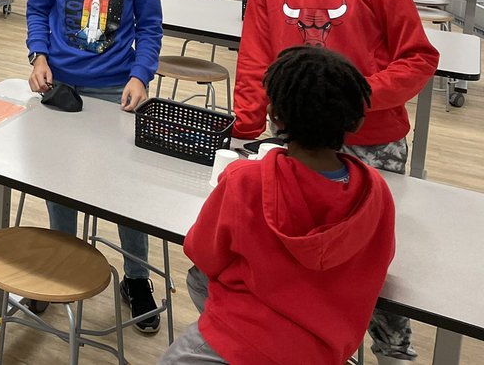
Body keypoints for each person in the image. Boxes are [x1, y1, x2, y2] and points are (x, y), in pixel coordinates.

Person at [233, 0, 436, 365]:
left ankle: (394, 349)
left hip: (371, 139)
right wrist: (245, 122)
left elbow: (418, 59)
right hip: (295, 138)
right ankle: (319, 339)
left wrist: (353, 98)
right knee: (301, 247)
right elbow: (256, 50)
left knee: (375, 256)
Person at [160, 46, 395, 365]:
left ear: (274, 116)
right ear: (354, 123)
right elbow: (379, 261)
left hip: (242, 340)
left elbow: (203, 252)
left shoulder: (246, 180)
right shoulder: (376, 193)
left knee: (196, 282)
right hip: (321, 351)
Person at [26, 0, 163, 333]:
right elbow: (39, 8)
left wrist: (141, 75)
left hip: (114, 88)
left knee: (125, 190)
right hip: (60, 84)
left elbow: (149, 25)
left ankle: (137, 277)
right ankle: (56, 267)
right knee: (59, 183)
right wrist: (38, 56)